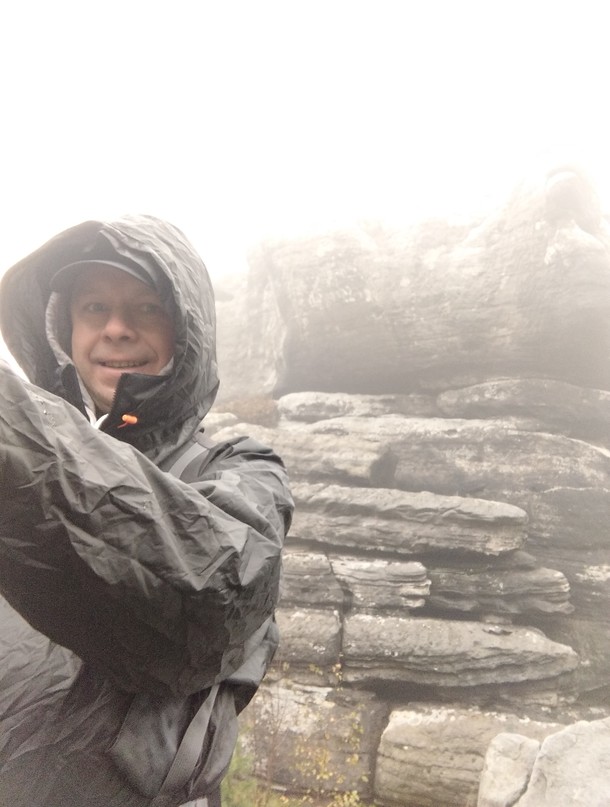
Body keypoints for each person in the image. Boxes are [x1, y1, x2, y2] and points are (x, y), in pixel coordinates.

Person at [0, 215, 293, 806]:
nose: (116, 329)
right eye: (94, 308)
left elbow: (212, 592)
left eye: (146, 308)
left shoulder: (238, 468)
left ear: (185, 332)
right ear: (64, 328)